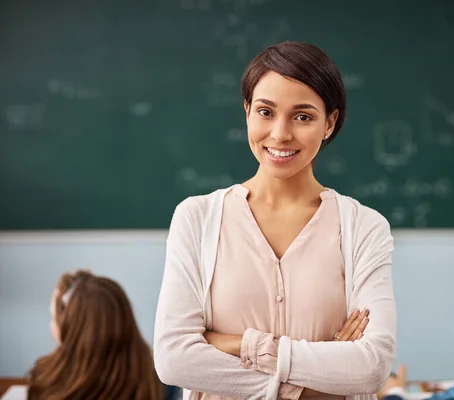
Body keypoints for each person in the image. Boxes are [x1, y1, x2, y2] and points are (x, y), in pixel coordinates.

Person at [153, 41, 397, 400]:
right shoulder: (198, 218)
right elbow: (174, 359)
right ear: (247, 111)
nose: (280, 134)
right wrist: (314, 385)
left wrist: (241, 345)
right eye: (266, 112)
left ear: (329, 123)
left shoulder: (364, 227)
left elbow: (372, 367)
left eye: (303, 116)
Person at [27, 270, 166, 400]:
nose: (51, 326)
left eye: (53, 318)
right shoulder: (159, 381)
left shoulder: (46, 382)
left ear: (72, 331)